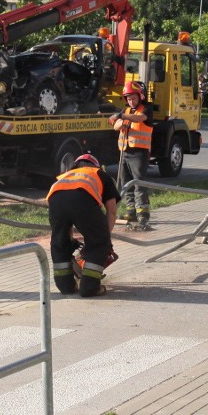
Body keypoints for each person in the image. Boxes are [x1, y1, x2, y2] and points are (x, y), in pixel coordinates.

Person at [46, 153, 120, 297]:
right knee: (98, 244)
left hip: (55, 202)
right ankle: (89, 288)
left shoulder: (65, 175)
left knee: (60, 243)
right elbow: (111, 210)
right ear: (95, 165)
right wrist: (105, 239)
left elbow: (66, 206)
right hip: (82, 201)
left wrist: (69, 239)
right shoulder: (99, 174)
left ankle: (66, 286)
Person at [108, 81, 153, 230]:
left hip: (139, 153)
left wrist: (122, 117)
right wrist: (121, 122)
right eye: (128, 98)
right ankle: (131, 212)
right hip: (125, 152)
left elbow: (140, 119)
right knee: (126, 183)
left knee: (139, 183)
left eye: (133, 98)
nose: (130, 101)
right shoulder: (126, 111)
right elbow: (115, 125)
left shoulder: (146, 109)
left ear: (140, 96)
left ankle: (143, 215)